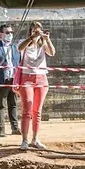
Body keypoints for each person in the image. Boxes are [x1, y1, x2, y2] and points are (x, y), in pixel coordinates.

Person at [17, 21, 56, 151]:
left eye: (38, 30)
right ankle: (24, 140)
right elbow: (19, 48)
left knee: (37, 111)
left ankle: (35, 139)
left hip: (41, 78)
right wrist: (31, 38)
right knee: (27, 108)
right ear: (30, 31)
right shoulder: (25, 41)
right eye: (34, 30)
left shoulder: (42, 43)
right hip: (27, 77)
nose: (36, 32)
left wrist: (47, 39)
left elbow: (52, 53)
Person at [0, 24, 20, 137]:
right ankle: (1, 129)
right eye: (7, 32)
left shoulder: (15, 47)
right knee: (0, 105)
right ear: (0, 34)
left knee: (13, 104)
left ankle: (15, 128)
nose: (10, 35)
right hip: (1, 80)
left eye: (11, 32)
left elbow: (18, 63)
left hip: (13, 79)